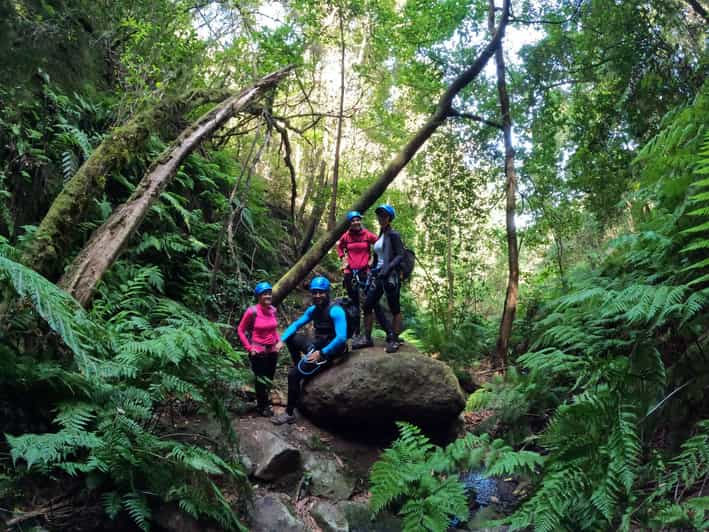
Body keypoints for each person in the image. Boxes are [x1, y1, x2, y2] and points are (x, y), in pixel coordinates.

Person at [271, 276, 348, 425]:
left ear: (327, 292)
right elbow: (296, 324)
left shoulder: (336, 311)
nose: (317, 296)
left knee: (293, 376)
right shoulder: (313, 310)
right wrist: (282, 340)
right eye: (314, 292)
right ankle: (301, 365)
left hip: (329, 352)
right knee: (293, 337)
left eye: (321, 292)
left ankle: (289, 414)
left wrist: (322, 353)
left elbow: (341, 338)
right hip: (317, 346)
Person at [352, 204, 404, 353]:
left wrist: (387, 268)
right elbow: (378, 256)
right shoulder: (381, 234)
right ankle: (367, 338)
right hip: (379, 275)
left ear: (389, 218)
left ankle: (394, 340)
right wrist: (372, 269)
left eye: (384, 216)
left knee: (395, 308)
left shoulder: (394, 234)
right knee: (368, 305)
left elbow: (400, 255)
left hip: (391, 277)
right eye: (380, 215)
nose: (381, 218)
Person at [237, 282, 284, 417]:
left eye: (269, 293)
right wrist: (249, 347)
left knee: (269, 378)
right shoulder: (252, 311)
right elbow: (240, 330)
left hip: (272, 351)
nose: (268, 296)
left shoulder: (273, 310)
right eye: (265, 294)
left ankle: (265, 402)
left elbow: (273, 330)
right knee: (260, 380)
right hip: (258, 351)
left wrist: (278, 341)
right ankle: (262, 406)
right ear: (259, 296)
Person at [336, 210, 377, 337]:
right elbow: (339, 246)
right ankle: (356, 330)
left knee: (370, 301)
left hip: (365, 273)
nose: (356, 222)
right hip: (350, 273)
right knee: (354, 303)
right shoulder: (346, 236)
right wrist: (343, 258)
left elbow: (379, 244)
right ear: (350, 223)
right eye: (353, 220)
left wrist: (373, 260)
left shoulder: (367, 235)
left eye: (358, 220)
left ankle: (368, 333)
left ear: (360, 221)